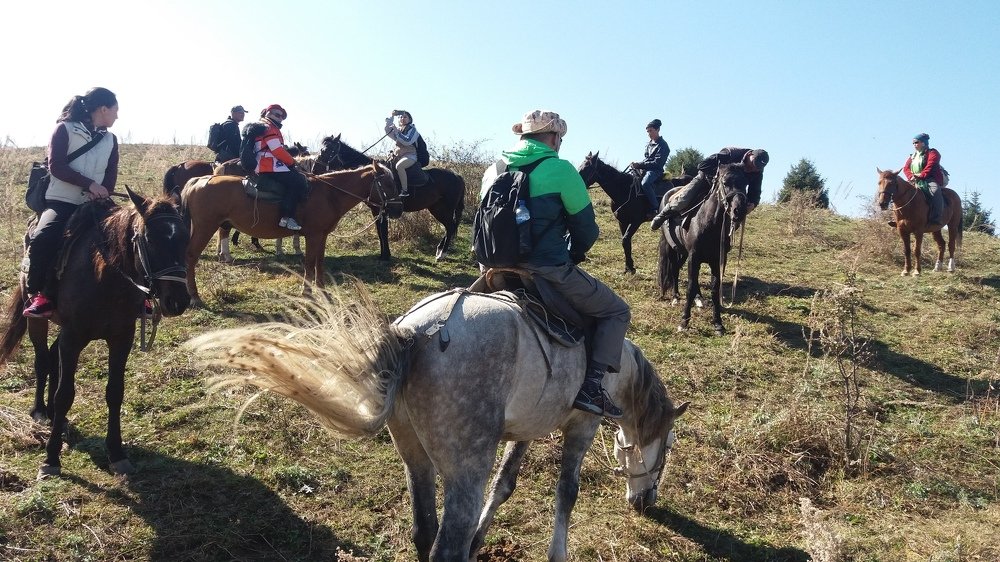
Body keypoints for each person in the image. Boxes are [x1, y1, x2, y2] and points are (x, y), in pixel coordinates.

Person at [480, 110, 631, 419]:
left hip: (492, 269)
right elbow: (586, 229)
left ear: (523, 136)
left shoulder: (493, 170)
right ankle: (591, 388)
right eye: (559, 138)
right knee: (617, 311)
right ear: (552, 137)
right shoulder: (561, 170)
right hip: (546, 269)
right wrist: (575, 252)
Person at [23, 87, 120, 318]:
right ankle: (40, 295)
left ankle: (140, 297)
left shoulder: (111, 139)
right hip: (62, 201)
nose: (117, 116)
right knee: (43, 237)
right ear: (103, 109)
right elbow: (56, 166)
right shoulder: (63, 129)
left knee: (129, 234)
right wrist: (90, 184)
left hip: (97, 203)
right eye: (115, 110)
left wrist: (104, 191)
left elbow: (110, 173)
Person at [650, 147, 769, 230]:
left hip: (728, 191)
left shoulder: (757, 171)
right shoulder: (730, 154)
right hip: (706, 178)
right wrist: (719, 178)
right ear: (749, 155)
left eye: (758, 167)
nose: (754, 169)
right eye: (753, 164)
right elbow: (702, 165)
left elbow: (755, 191)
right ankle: (663, 214)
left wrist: (753, 204)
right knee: (685, 198)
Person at [250, 104, 308, 231]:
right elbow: (277, 150)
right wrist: (292, 161)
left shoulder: (265, 126)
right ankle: (287, 217)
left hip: (267, 163)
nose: (280, 118)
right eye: (277, 115)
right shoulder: (269, 127)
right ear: (268, 113)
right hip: (268, 164)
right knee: (298, 181)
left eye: (282, 117)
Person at [630, 118, 670, 214]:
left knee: (645, 183)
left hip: (656, 171)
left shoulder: (663, 145)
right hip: (646, 168)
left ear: (658, 130)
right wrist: (636, 165)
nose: (649, 134)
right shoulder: (648, 145)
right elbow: (646, 159)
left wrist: (640, 165)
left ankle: (655, 208)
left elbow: (657, 163)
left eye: (651, 131)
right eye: (648, 131)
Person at [903, 132, 944, 225]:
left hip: (929, 179)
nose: (914, 145)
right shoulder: (912, 156)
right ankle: (899, 218)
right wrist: (911, 176)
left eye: (916, 142)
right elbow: (906, 168)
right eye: (913, 143)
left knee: (935, 192)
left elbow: (930, 166)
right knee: (899, 191)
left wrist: (920, 176)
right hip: (914, 180)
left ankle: (936, 219)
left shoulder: (933, 153)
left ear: (923, 143)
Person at [384, 110, 420, 197]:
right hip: (398, 156)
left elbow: (407, 141)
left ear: (410, 119)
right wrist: (392, 117)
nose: (402, 118)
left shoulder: (413, 130)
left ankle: (405, 190)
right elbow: (387, 130)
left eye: (405, 117)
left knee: (399, 166)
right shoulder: (399, 130)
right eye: (400, 117)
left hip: (410, 156)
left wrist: (396, 131)